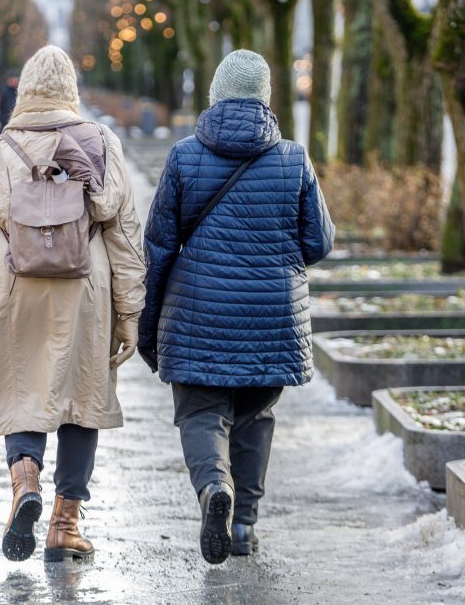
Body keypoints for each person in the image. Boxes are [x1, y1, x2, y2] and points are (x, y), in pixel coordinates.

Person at [137, 49, 335, 565]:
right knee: (255, 417)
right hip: (272, 319)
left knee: (201, 413)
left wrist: (148, 326)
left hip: (198, 316)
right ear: (266, 97)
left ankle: (212, 489)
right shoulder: (293, 157)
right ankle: (244, 523)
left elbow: (158, 247)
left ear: (215, 95)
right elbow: (319, 241)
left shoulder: (184, 155)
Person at [0, 45, 146, 563]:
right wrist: (129, 315)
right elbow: (124, 236)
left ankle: (24, 481)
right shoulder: (101, 142)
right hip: (86, 291)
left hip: (18, 289)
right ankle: (65, 524)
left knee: (22, 387)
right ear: (71, 92)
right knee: (83, 398)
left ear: (25, 92)